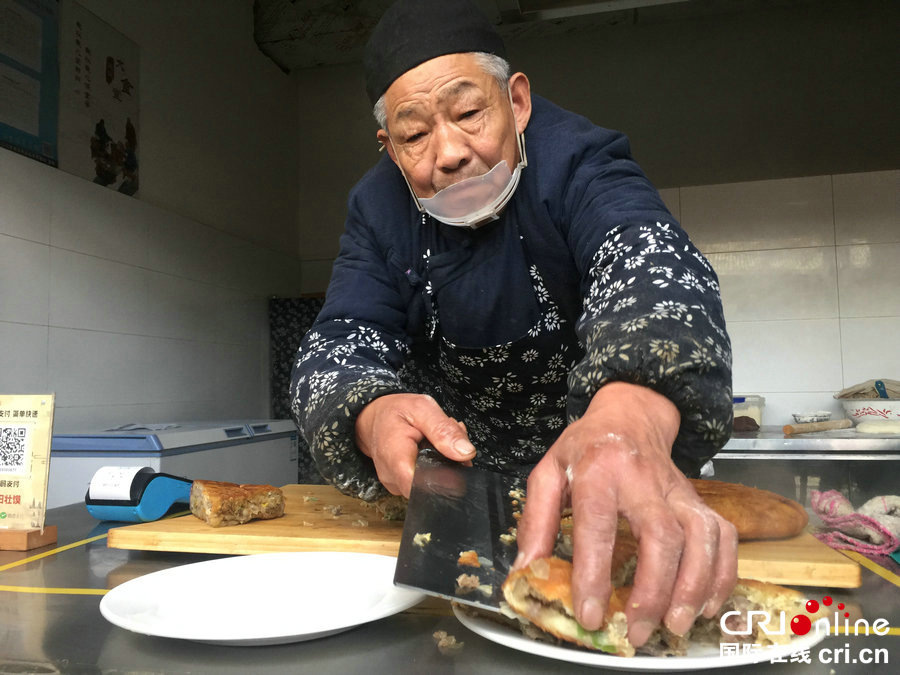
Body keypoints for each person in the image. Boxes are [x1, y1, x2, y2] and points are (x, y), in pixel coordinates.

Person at [290, 0, 736, 648]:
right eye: (415, 135)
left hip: (606, 491)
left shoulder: (579, 161)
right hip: (457, 517)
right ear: (389, 148)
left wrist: (632, 412)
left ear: (517, 100)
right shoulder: (377, 212)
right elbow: (337, 344)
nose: (449, 152)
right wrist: (374, 411)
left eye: (470, 113)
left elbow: (653, 264)